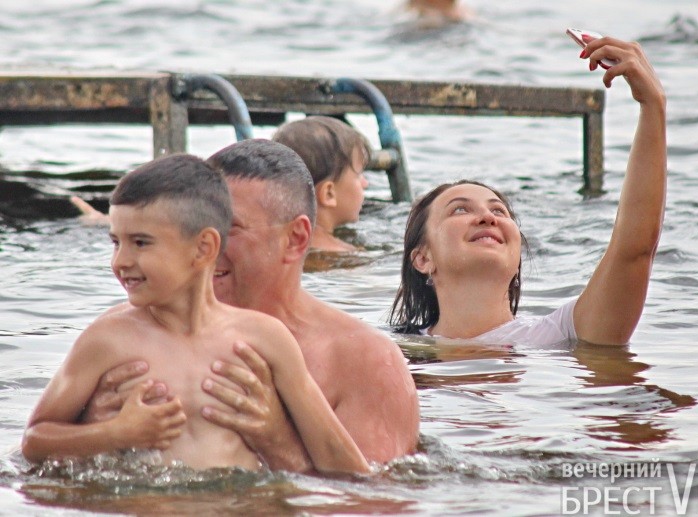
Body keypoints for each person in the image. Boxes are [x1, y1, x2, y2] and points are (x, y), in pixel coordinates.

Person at [82, 141, 420, 472]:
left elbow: (371, 497)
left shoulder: (364, 362)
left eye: (229, 228)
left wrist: (277, 441)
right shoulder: (122, 335)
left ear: (296, 238)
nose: (203, 246)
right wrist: (94, 432)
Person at [22, 154, 370, 474]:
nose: (120, 261)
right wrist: (114, 433)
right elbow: (35, 440)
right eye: (116, 242)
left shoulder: (265, 338)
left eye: (141, 242)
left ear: (204, 248)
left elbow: (342, 462)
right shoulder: (108, 339)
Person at [389, 35, 667, 347]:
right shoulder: (394, 349)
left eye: (499, 211)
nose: (488, 218)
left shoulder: (558, 335)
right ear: (423, 258)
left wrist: (653, 105)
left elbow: (633, 251)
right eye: (460, 209)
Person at [272, 116, 370, 253]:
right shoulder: (345, 254)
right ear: (329, 194)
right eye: (358, 175)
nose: (365, 183)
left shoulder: (271, 244)